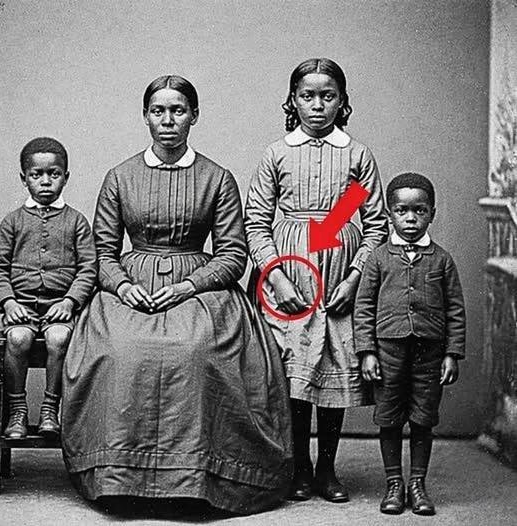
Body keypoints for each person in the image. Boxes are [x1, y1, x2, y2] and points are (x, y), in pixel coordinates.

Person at [61, 75, 293, 515]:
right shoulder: (119, 176)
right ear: (146, 117)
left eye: (178, 111)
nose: (168, 120)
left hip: (199, 283)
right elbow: (102, 253)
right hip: (131, 283)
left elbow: (233, 254)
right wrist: (124, 286)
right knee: (121, 347)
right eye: (159, 111)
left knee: (196, 348)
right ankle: (119, 476)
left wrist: (189, 285)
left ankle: (197, 477)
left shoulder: (217, 178)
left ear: (194, 116)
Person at [244, 58, 388, 502]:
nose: (318, 105)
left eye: (328, 96)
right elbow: (256, 222)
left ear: (342, 102)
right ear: (293, 101)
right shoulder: (278, 153)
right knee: (294, 373)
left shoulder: (356, 155)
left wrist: (355, 278)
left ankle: (327, 468)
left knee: (332, 370)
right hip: (289, 273)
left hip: (338, 278)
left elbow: (375, 225)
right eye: (308, 96)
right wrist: (277, 276)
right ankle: (299, 467)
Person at [354, 172, 466, 515]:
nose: (411, 218)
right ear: (389, 214)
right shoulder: (377, 258)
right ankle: (394, 484)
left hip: (429, 355)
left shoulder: (442, 259)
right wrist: (367, 352)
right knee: (389, 418)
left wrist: (452, 354)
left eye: (420, 210)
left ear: (432, 213)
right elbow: (363, 306)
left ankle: (417, 484)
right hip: (388, 353)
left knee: (423, 419)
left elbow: (455, 310)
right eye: (402, 211)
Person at [0, 137, 96, 439]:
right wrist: (9, 303)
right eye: (37, 175)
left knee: (60, 338)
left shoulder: (76, 222)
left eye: (54, 174)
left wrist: (70, 302)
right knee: (18, 339)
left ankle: (51, 409)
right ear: (24, 179)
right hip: (21, 308)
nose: (46, 181)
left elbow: (88, 268)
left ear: (66, 177)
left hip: (59, 309)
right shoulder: (12, 222)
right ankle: (18, 411)